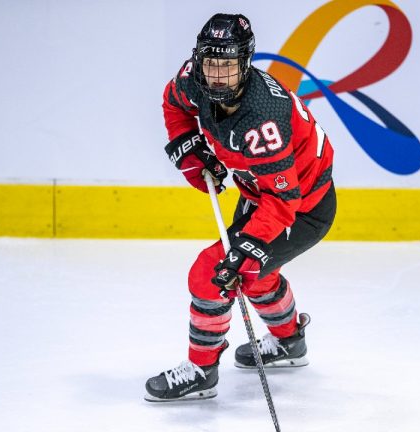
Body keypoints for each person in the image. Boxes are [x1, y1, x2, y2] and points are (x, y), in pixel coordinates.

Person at [144, 13, 336, 402]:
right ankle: (289, 344)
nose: (217, 76)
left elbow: (284, 200)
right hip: (260, 195)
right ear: (198, 59)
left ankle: (202, 369)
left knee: (210, 273)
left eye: (228, 66)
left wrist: (244, 249)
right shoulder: (191, 80)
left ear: (245, 64)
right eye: (211, 63)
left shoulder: (262, 118)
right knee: (255, 275)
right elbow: (173, 104)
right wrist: (188, 148)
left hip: (300, 209)